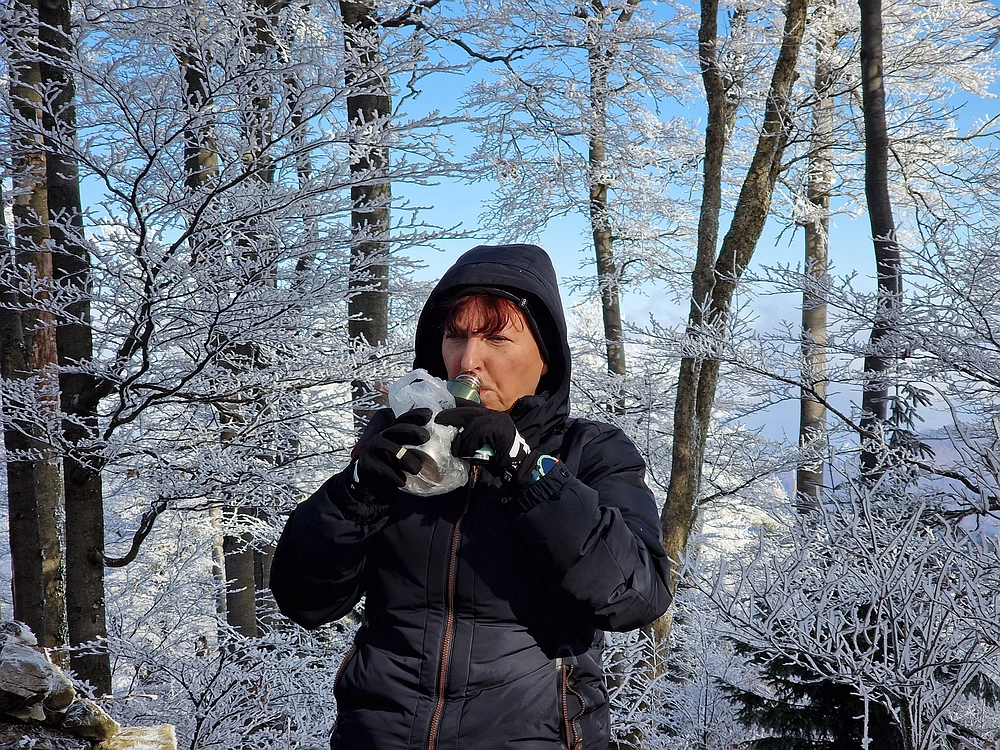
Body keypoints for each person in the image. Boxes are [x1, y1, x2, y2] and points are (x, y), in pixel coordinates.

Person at [270, 243, 672, 750]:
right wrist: (356, 492)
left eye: (496, 338)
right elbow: (304, 600)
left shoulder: (588, 451)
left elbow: (636, 596)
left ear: (545, 358)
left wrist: (531, 474)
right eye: (455, 336)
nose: (468, 360)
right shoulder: (399, 443)